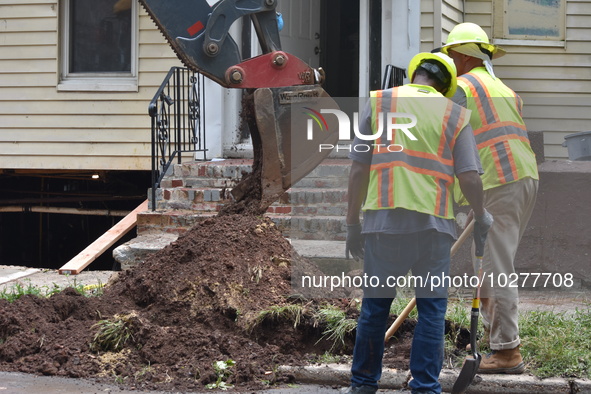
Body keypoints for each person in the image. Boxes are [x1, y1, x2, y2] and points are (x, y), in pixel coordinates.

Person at [343, 52, 493, 394]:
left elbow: (358, 169)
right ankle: (425, 387)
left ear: (414, 75)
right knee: (431, 311)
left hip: (383, 225)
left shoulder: (379, 103)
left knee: (375, 309)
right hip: (434, 229)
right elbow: (469, 177)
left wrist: (352, 223)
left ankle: (363, 386)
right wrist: (481, 213)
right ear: (446, 87)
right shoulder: (454, 115)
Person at [440, 22, 539, 374]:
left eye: (451, 55)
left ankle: (508, 352)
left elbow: (447, 141)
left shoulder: (462, 88)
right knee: (486, 261)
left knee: (496, 265)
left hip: (499, 178)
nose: (448, 62)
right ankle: (492, 340)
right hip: (522, 176)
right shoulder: (504, 89)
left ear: (463, 55)